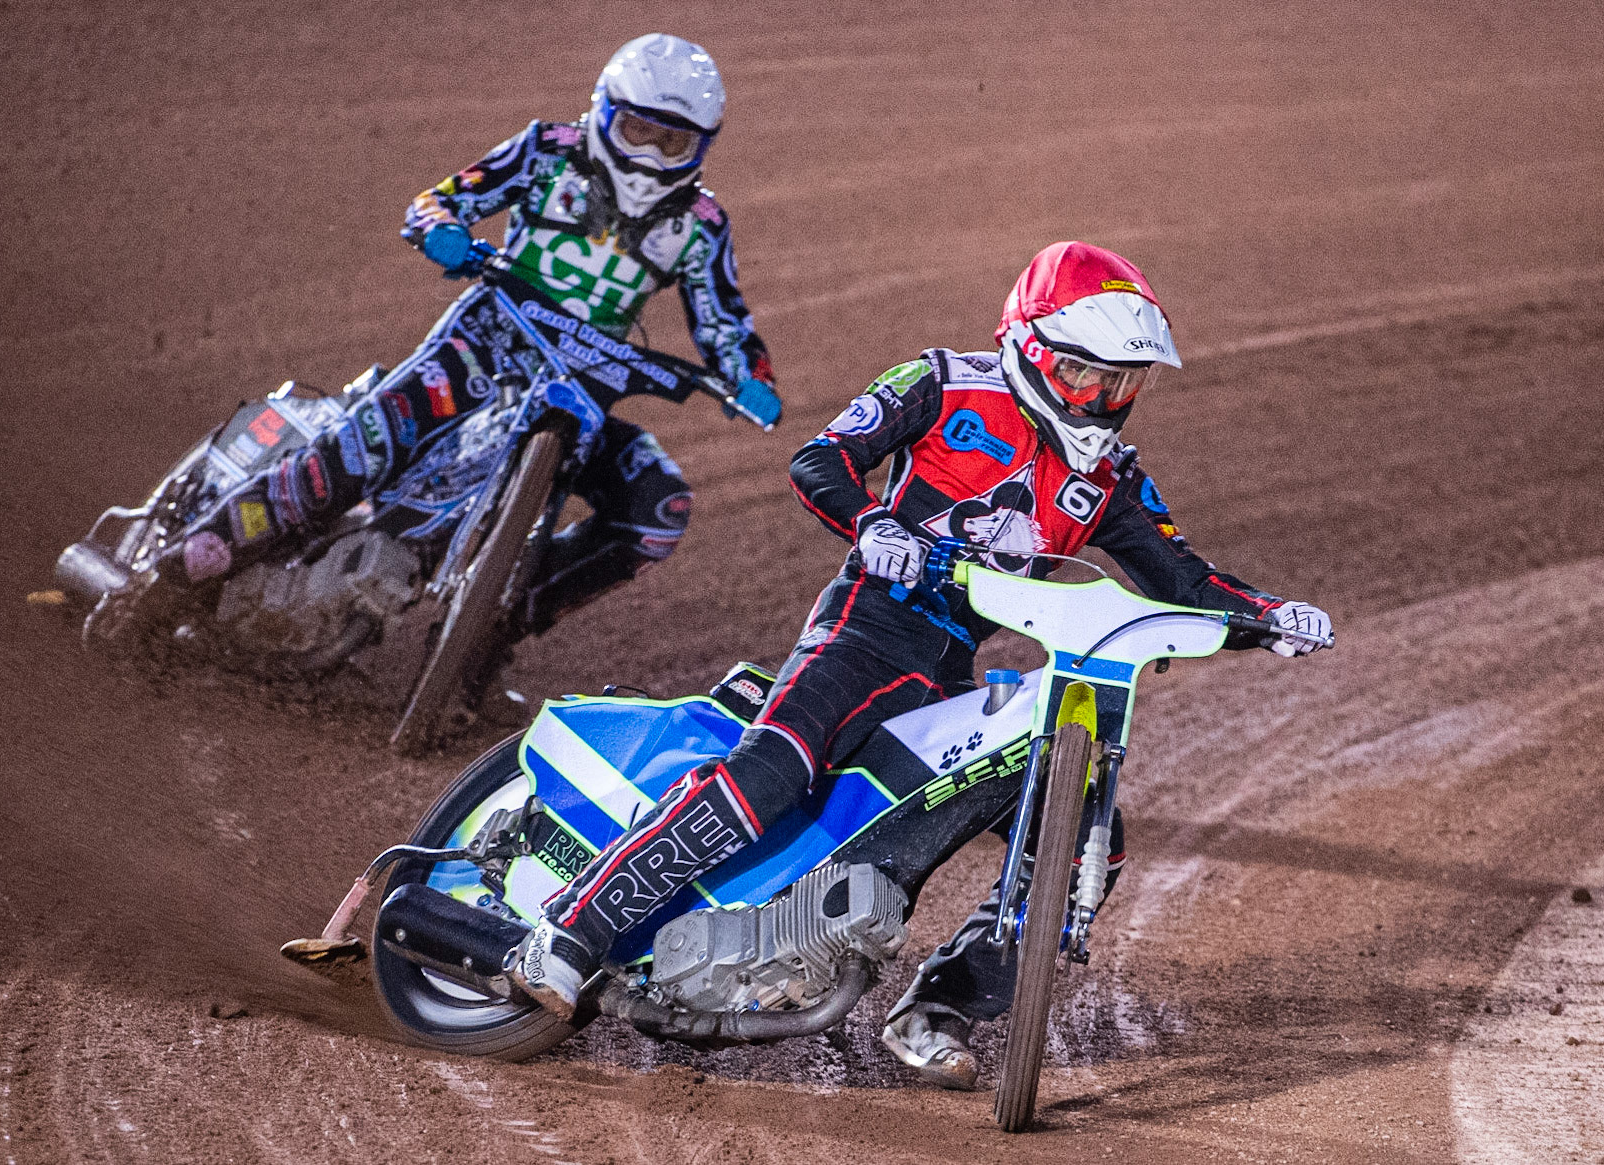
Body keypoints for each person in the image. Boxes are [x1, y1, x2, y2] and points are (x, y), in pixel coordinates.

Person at [504, 242, 1333, 1082]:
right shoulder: (942, 383)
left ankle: (938, 1006)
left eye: (1121, 384)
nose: (1100, 399)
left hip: (947, 671)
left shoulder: (1110, 478)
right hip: (864, 628)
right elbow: (821, 459)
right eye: (1083, 374)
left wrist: (1270, 617)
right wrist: (873, 524)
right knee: (771, 769)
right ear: (1031, 347)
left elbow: (1184, 581)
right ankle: (571, 930)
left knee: (1088, 840)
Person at [156, 33, 779, 644]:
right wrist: (442, 230)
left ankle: (489, 638)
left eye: (673, 143)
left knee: (658, 509)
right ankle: (187, 563)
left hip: (581, 395)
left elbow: (724, 321)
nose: (651, 157)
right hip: (480, 346)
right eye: (638, 131)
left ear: (701, 146)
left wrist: (751, 378)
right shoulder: (546, 151)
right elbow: (439, 201)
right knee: (361, 450)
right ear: (604, 111)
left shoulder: (702, 226)